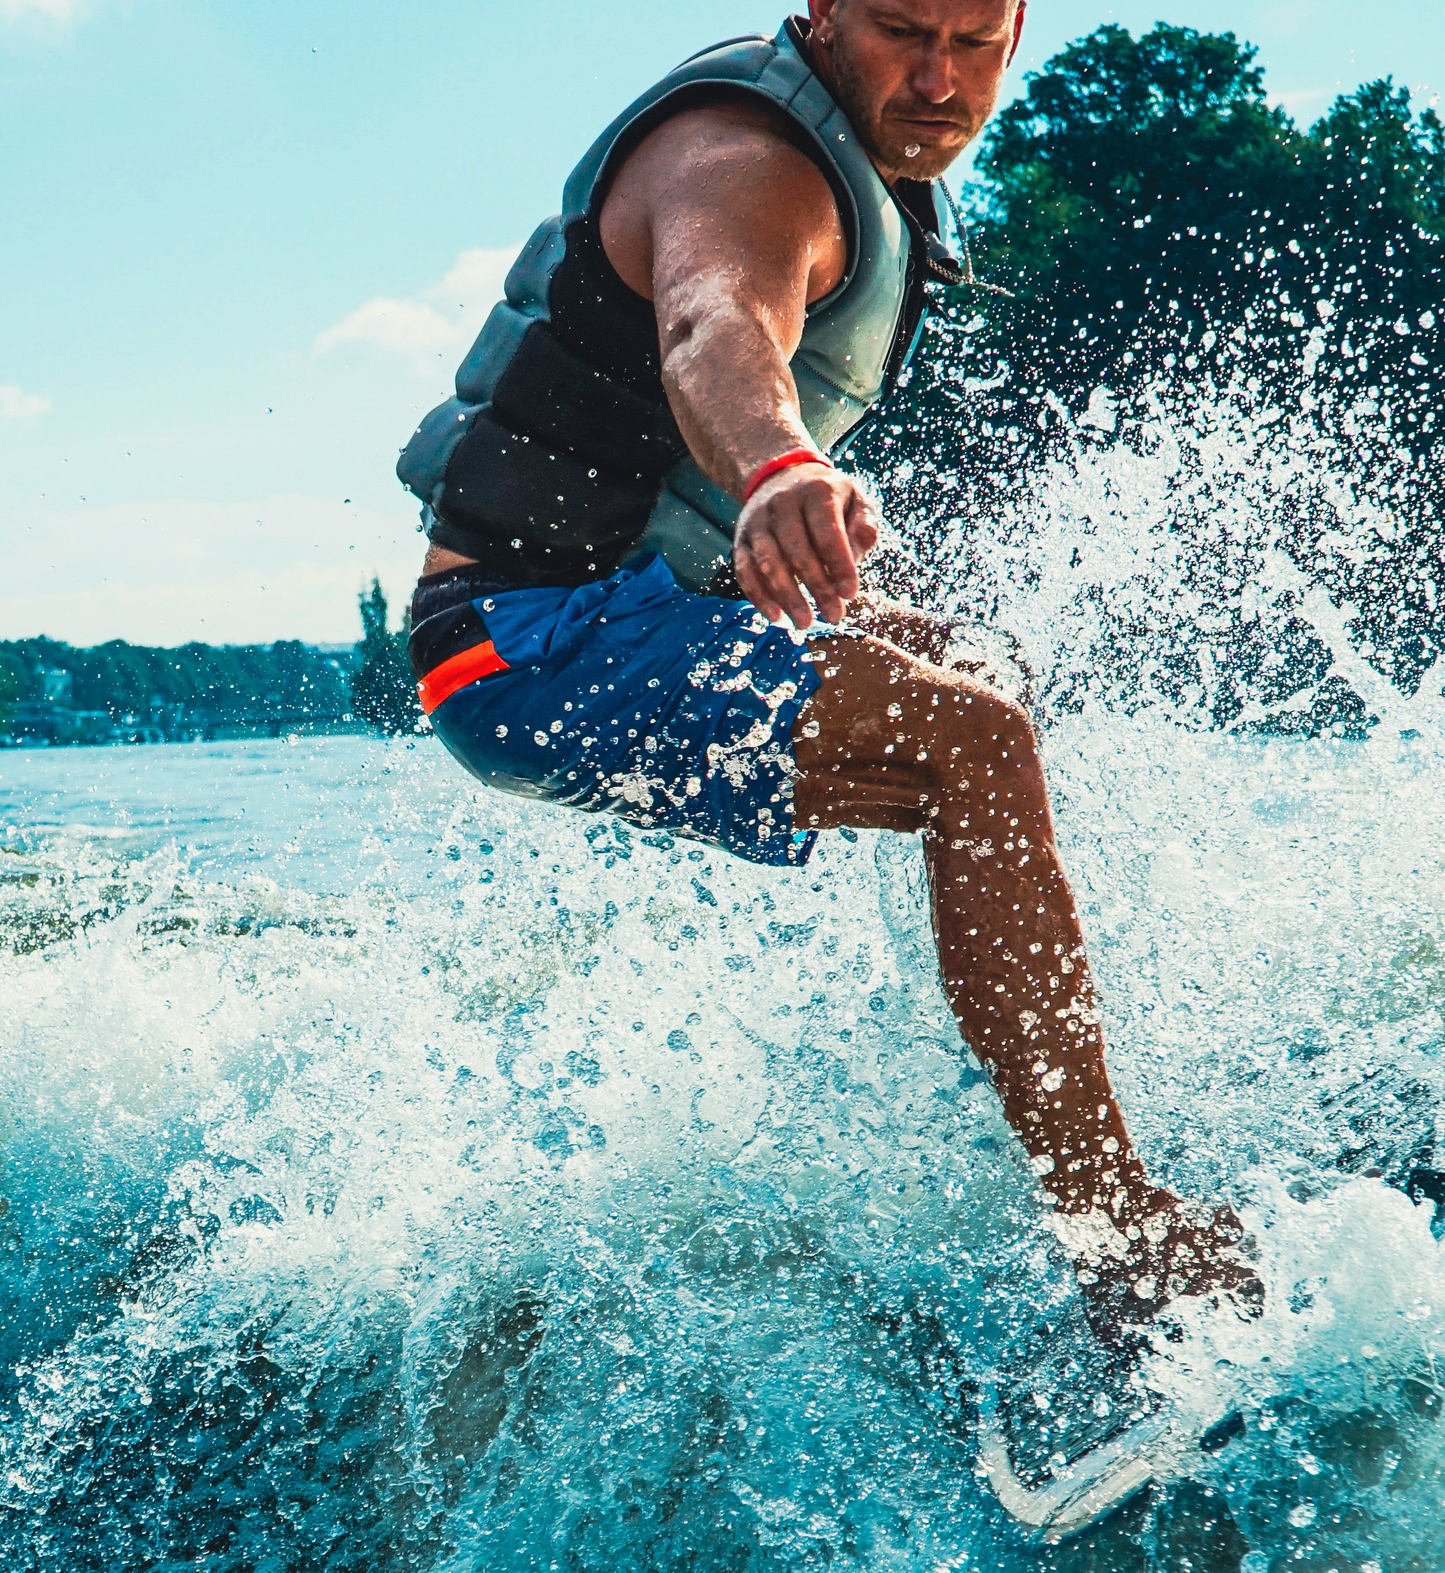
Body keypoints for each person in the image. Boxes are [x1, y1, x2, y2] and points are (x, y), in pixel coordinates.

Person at [397, 0, 1260, 1338]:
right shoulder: (748, 156)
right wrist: (781, 464)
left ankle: (983, 1144)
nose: (939, 77)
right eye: (905, 31)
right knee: (970, 748)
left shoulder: (871, 171)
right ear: (820, 14)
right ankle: (1114, 1232)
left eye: (977, 42)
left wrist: (855, 588)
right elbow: (713, 321)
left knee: (979, 675)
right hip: (530, 640)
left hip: (622, 609)